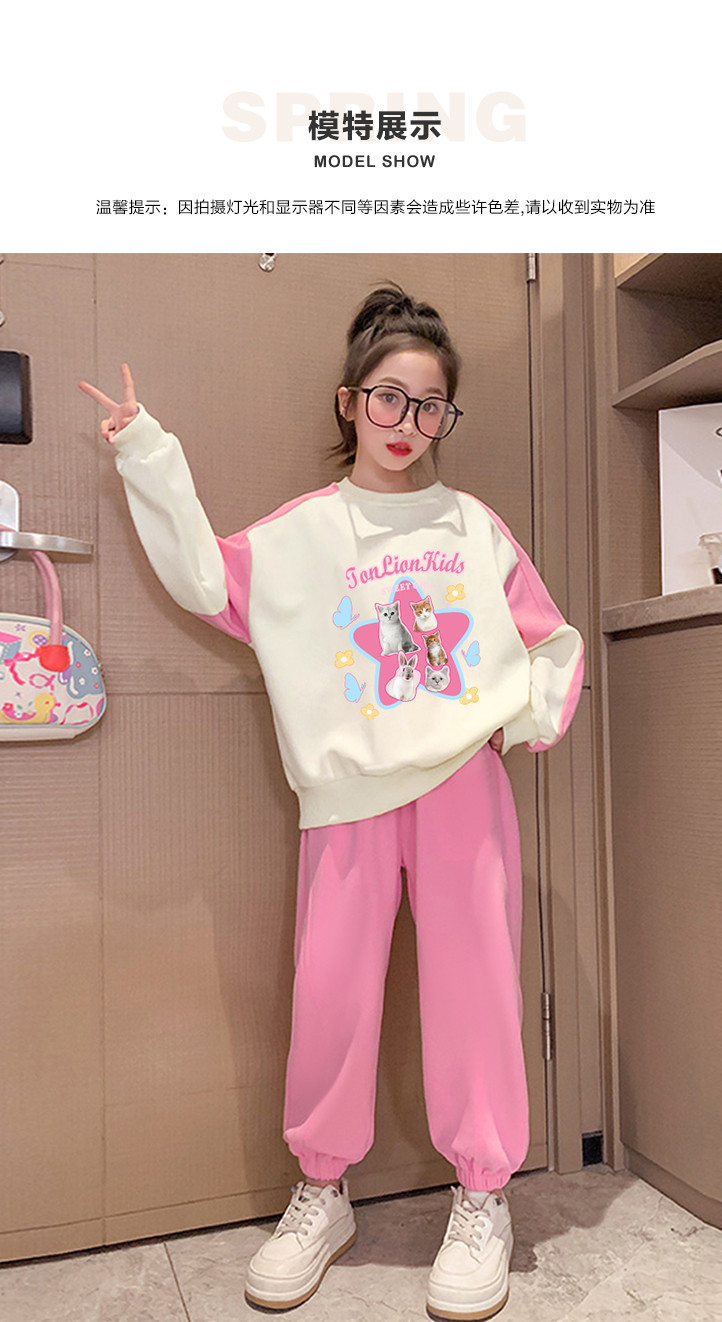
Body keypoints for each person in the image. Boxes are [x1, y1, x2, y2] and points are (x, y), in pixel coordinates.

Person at [78, 283, 584, 1321]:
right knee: (333, 993)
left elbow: (553, 640)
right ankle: (322, 1190)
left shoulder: (473, 527)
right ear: (350, 401)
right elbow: (208, 580)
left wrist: (521, 718)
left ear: (446, 417)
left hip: (462, 784)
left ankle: (483, 1198)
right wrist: (148, 454)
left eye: (431, 405)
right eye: (388, 397)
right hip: (345, 793)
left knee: (478, 990)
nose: (408, 423)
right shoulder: (303, 533)